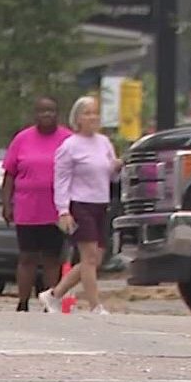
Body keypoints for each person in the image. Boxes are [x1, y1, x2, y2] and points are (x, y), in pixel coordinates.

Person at [39, 96, 121, 315]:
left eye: (95, 112)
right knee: (89, 256)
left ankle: (54, 295)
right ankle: (95, 305)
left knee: (95, 259)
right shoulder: (70, 146)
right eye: (87, 113)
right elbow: (61, 180)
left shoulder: (104, 142)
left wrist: (116, 167)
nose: (93, 117)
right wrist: (63, 210)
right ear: (77, 118)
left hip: (101, 203)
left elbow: (109, 174)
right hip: (80, 205)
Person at [0, 96, 71, 312]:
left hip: (56, 209)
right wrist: (7, 204)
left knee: (51, 257)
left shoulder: (68, 139)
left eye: (51, 111)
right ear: (35, 114)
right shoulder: (22, 139)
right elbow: (9, 174)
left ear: (58, 114)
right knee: (27, 256)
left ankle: (50, 302)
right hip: (27, 208)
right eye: (42, 111)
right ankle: (22, 302)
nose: (47, 115)